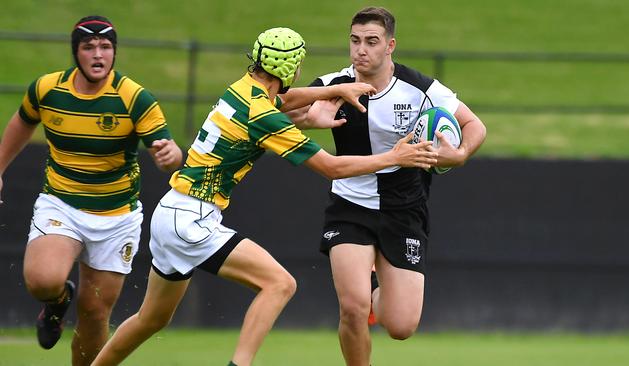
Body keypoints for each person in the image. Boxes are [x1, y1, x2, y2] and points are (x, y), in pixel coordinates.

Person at [90, 27, 437, 366]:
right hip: (192, 218)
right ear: (291, 68)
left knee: (150, 320)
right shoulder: (264, 117)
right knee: (279, 284)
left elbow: (285, 98)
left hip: (169, 212)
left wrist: (339, 89)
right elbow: (331, 167)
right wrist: (396, 157)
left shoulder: (242, 90)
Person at [306, 7, 487, 366]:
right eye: (355, 41)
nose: (361, 50)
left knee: (401, 325)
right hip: (350, 205)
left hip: (404, 208)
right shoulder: (333, 84)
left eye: (372, 42)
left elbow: (474, 125)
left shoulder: (420, 88)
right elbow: (285, 106)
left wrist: (461, 154)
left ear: (390, 46)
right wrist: (309, 115)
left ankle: (376, 284)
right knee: (353, 309)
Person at [0, 15, 183, 366]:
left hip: (117, 217)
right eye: (89, 47)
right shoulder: (47, 89)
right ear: (76, 53)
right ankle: (56, 303)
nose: (98, 54)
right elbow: (22, 123)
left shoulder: (133, 97)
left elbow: (169, 153)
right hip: (61, 203)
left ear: (114, 53)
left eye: (106, 47)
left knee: (95, 312)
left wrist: (170, 156)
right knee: (42, 281)